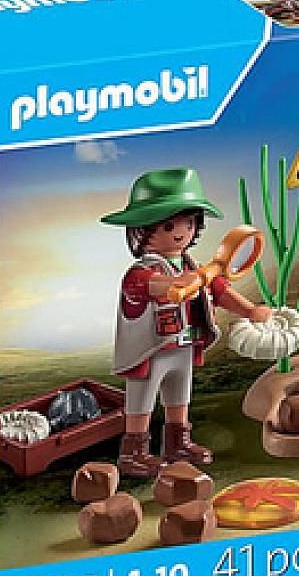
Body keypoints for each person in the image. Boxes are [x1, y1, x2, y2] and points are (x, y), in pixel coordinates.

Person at [101, 168, 271, 480]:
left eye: (189, 223)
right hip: (150, 352)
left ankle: (177, 444)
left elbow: (220, 292)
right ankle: (133, 453)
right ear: (143, 230)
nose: (181, 232)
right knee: (141, 401)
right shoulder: (139, 273)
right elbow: (157, 286)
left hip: (184, 346)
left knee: (179, 397)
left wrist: (250, 310)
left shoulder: (195, 267)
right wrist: (186, 281)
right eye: (168, 226)